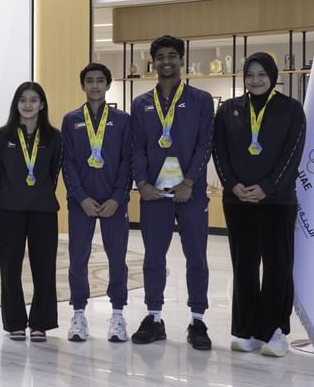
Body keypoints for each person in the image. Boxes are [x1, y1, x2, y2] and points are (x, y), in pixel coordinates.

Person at [213, 52, 305, 357]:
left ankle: (275, 331)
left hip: (277, 200)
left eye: (262, 74)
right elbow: (219, 151)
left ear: (273, 76)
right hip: (237, 200)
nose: (255, 80)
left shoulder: (290, 109)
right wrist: (232, 185)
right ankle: (246, 330)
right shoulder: (229, 109)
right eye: (250, 74)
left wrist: (267, 187)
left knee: (278, 266)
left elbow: (292, 154)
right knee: (244, 266)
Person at [130, 35, 214, 350]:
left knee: (197, 256)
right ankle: (154, 317)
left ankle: (198, 320)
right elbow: (136, 147)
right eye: (161, 57)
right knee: (153, 256)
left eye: (172, 56)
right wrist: (142, 184)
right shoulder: (141, 103)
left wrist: (189, 182)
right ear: (153, 62)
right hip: (154, 194)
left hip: (190, 193)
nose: (166, 61)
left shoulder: (201, 99)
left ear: (181, 59)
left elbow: (205, 144)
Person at [61, 63, 132, 343]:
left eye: (100, 80)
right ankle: (79, 314)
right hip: (82, 203)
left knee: (117, 258)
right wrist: (81, 197)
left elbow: (127, 160)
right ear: (82, 85)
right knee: (78, 258)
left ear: (108, 84)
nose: (94, 85)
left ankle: (117, 315)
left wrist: (118, 197)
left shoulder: (122, 120)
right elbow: (67, 163)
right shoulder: (71, 120)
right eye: (89, 81)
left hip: (114, 202)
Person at [0, 82, 63, 342]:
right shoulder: (2, 136)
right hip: (10, 210)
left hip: (44, 211)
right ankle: (15, 323)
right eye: (23, 100)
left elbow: (54, 173)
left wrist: (38, 193)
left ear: (42, 104)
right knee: (9, 268)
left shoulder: (54, 137)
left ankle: (41, 323)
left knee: (44, 267)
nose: (28, 105)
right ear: (16, 104)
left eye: (34, 100)